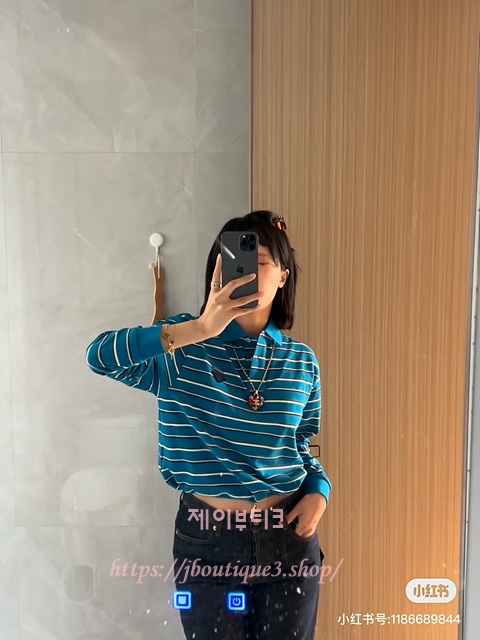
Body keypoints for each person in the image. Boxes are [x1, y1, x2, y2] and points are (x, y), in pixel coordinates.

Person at [85, 210, 331, 640]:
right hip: (208, 539)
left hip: (288, 537)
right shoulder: (181, 346)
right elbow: (99, 357)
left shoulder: (301, 360)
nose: (248, 273)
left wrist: (319, 492)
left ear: (283, 276)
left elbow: (301, 443)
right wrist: (200, 328)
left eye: (262, 262)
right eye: (238, 260)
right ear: (217, 270)